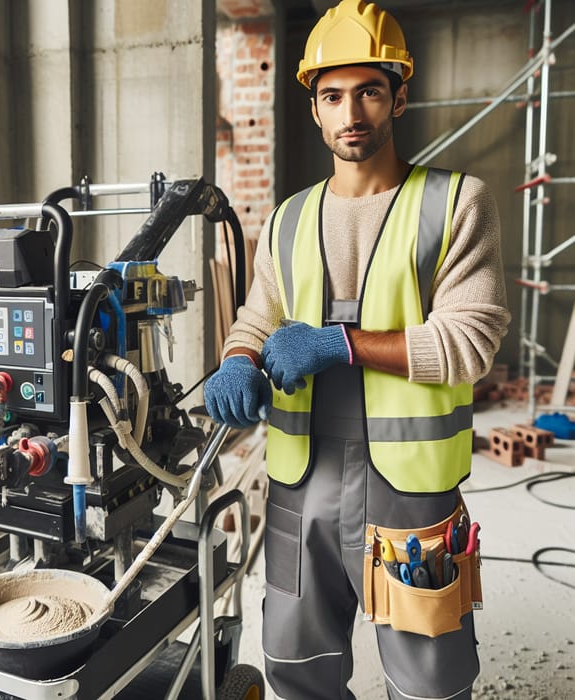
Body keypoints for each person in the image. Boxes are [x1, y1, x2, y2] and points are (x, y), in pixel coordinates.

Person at [204, 1, 511, 698]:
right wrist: (237, 359)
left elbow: (470, 342)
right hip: (299, 484)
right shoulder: (288, 218)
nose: (352, 113)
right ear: (314, 108)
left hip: (410, 488)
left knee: (429, 679)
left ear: (399, 96)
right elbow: (257, 317)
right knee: (294, 666)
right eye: (333, 95)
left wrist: (340, 343)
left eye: (369, 91)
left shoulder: (455, 204)